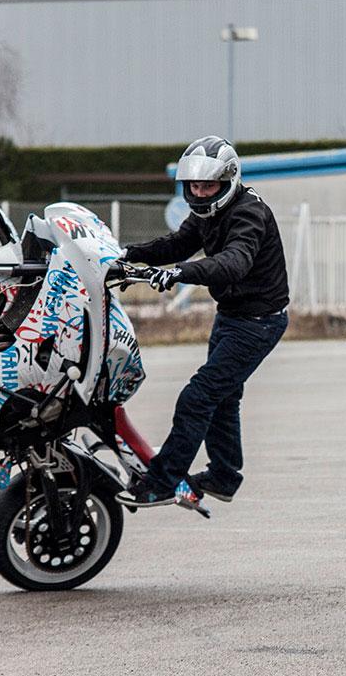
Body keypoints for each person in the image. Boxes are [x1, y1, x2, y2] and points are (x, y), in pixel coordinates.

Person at [117, 136, 289, 507]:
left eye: (207, 185)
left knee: (197, 398)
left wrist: (181, 273)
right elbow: (177, 244)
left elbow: (233, 263)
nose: (199, 193)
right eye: (193, 186)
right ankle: (225, 476)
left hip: (259, 322)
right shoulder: (207, 212)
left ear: (228, 181)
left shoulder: (248, 213)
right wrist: (128, 254)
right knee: (223, 398)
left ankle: (162, 480)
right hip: (232, 316)